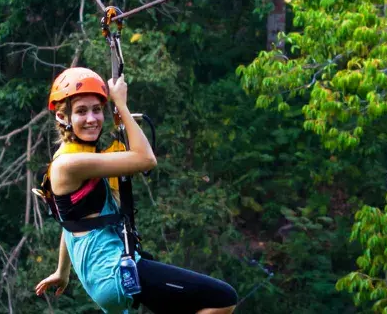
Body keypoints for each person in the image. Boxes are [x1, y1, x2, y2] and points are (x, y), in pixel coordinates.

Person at [33, 67, 238, 314]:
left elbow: (71, 223)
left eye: (97, 109)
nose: (92, 118)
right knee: (224, 298)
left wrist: (62, 271)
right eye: (81, 111)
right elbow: (146, 159)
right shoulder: (69, 164)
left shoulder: (70, 157)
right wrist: (121, 104)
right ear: (63, 117)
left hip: (108, 275)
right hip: (114, 274)